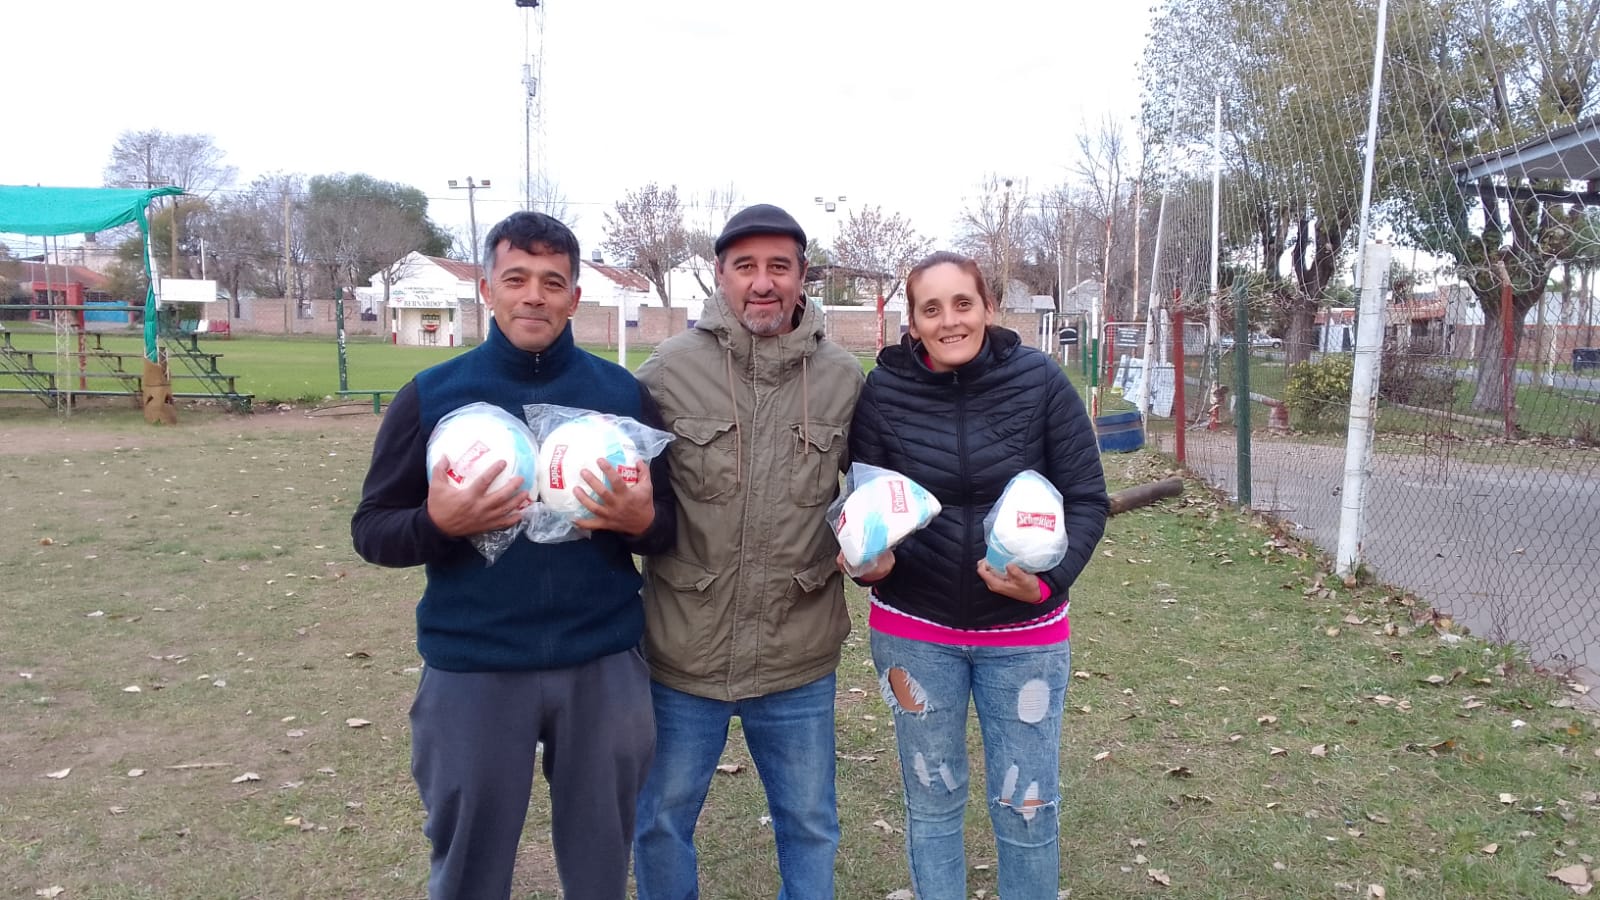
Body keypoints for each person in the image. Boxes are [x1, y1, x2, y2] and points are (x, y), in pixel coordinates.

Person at [350, 211, 676, 900]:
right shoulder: (432, 398)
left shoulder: (620, 397)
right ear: (487, 290)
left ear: (575, 298)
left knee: (600, 868)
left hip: (601, 663)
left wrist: (641, 522)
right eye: (517, 279)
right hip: (475, 665)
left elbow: (670, 528)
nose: (534, 296)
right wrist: (438, 523)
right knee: (468, 865)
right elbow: (373, 529)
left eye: (552, 282)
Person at [845, 251, 1109, 900]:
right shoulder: (883, 392)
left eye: (963, 304)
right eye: (931, 309)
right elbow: (866, 505)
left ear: (988, 308)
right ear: (912, 323)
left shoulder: (1040, 381)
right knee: (932, 799)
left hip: (1024, 639)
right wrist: (869, 564)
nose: (950, 321)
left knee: (1027, 805)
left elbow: (1086, 498)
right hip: (912, 634)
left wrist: (1046, 584)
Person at [632, 204, 864, 899]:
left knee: (810, 823)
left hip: (798, 653)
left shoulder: (842, 379)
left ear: (802, 276)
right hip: (682, 651)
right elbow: (628, 495)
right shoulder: (668, 372)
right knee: (661, 821)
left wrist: (874, 543)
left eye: (779, 267)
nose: (763, 282)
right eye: (746, 267)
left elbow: (877, 492)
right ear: (720, 274)